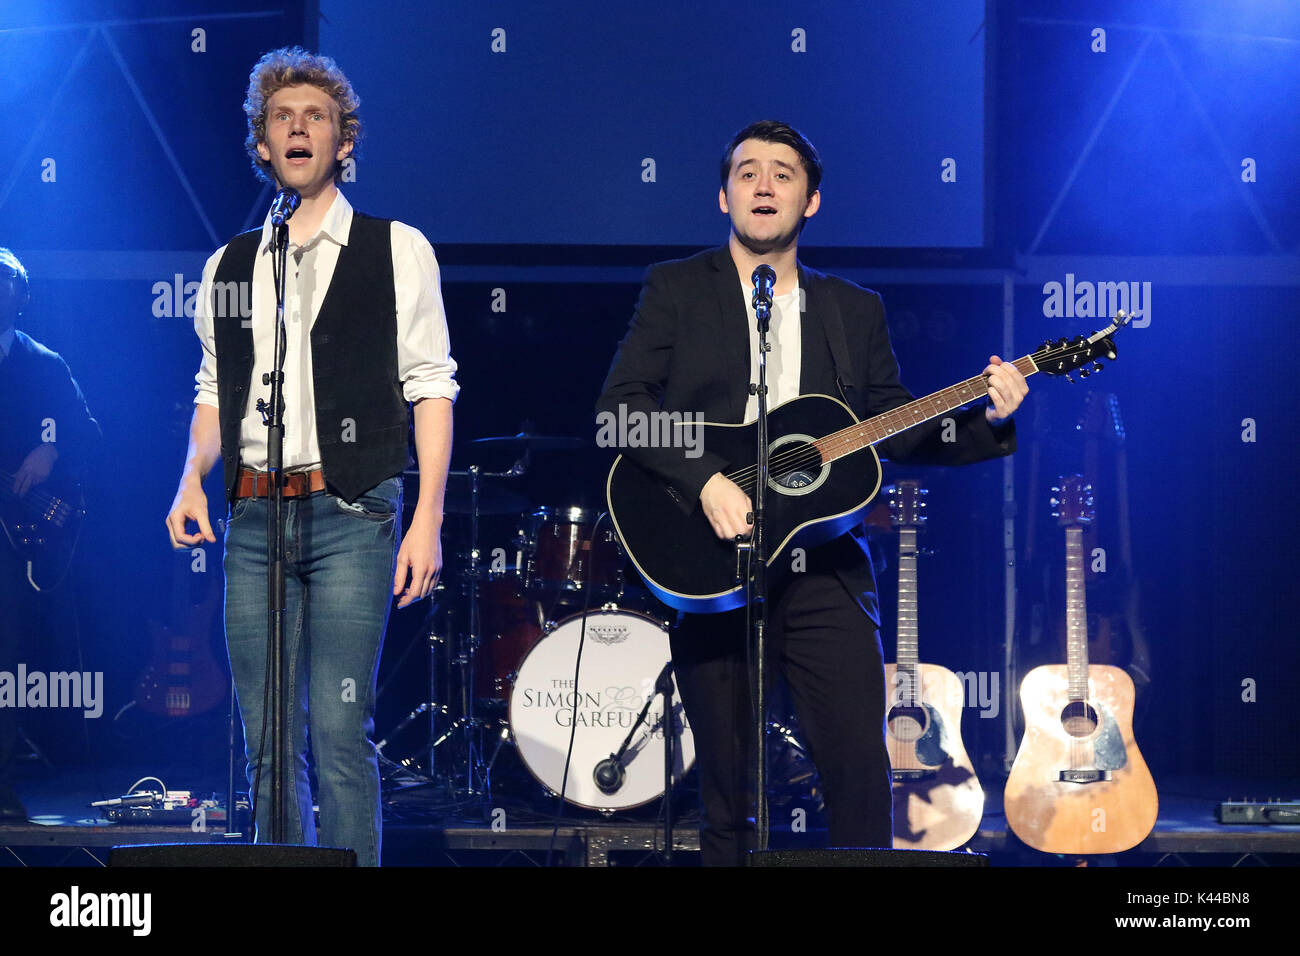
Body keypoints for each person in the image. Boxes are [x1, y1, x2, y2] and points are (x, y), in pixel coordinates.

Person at [596, 121, 1028, 865]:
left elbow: (896, 430)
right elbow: (621, 412)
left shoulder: (852, 310)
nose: (765, 185)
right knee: (730, 791)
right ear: (724, 195)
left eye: (784, 174)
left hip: (823, 569)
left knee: (860, 771)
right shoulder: (677, 288)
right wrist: (704, 481)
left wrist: (986, 420)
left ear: (812, 200)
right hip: (713, 564)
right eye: (749, 172)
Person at [164, 48, 458, 866]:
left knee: (336, 729)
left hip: (354, 513)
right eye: (281, 119)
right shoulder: (230, 264)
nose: (297, 129)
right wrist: (191, 476)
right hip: (254, 515)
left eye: (315, 117)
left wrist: (426, 519)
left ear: (343, 141)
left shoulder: (397, 249)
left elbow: (432, 386)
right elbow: (215, 389)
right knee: (266, 740)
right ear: (262, 144)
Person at [0, 247, 100, 821]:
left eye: (6, 280)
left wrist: (51, 448)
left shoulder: (44, 364)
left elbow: (89, 433)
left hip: (14, 532)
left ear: (24, 295)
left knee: (6, 651)